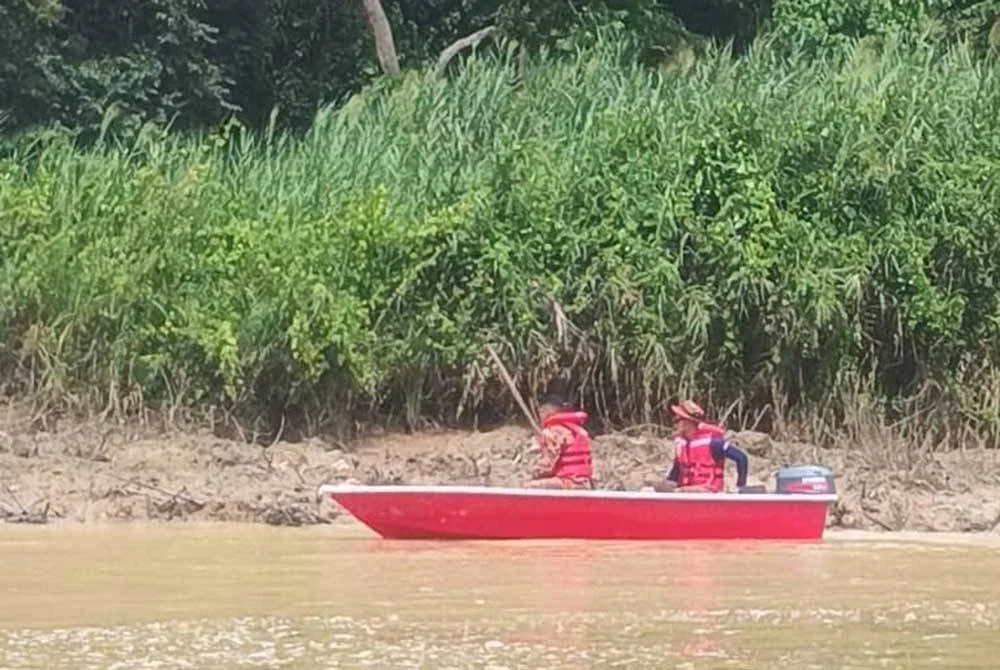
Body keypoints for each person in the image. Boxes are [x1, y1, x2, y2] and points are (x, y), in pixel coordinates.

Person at [656, 399, 749, 493]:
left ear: (688, 422)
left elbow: (741, 458)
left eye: (677, 420)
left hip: (708, 492)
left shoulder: (714, 443)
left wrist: (740, 486)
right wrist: (666, 486)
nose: (674, 424)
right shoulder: (681, 444)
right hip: (686, 492)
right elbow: (676, 472)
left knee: (681, 491)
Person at [525, 393, 593, 489]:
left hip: (568, 483)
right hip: (585, 483)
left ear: (545, 411)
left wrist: (533, 474)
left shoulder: (552, 432)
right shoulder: (578, 430)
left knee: (529, 487)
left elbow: (547, 465)